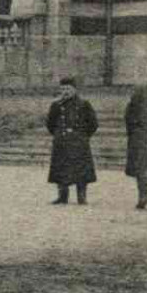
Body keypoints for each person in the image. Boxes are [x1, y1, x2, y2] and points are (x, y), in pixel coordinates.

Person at [47, 76, 99, 205]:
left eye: (68, 88)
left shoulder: (84, 104)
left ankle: (81, 197)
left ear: (75, 89)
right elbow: (50, 123)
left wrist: (82, 136)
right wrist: (59, 134)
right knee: (61, 169)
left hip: (79, 142)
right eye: (63, 88)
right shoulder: (56, 105)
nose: (66, 91)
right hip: (62, 141)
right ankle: (62, 196)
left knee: (81, 170)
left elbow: (93, 123)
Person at [125, 77, 147, 210]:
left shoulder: (140, 90)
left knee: (142, 168)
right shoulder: (141, 91)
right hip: (143, 134)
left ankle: (143, 196)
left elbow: (129, 114)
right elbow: (129, 113)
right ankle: (143, 196)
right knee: (142, 168)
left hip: (142, 135)